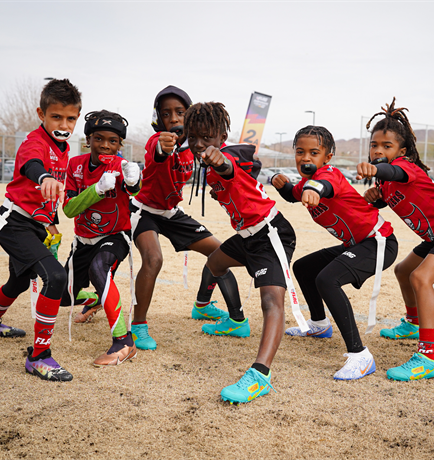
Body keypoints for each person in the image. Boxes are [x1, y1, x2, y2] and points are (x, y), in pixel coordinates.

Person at [356, 98, 434, 382]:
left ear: (401, 151)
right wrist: (374, 199)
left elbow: (395, 172)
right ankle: (413, 323)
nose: (378, 150)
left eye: (386, 146)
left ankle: (428, 357)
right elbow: (391, 194)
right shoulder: (384, 181)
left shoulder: (406, 167)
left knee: (420, 278)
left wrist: (377, 169)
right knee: (403, 271)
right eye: (374, 145)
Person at [0, 78, 81, 382]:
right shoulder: (34, 141)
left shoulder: (64, 147)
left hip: (35, 227)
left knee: (19, 281)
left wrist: (53, 225)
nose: (63, 123)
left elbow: (48, 198)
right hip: (14, 223)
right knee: (56, 277)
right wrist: (44, 176)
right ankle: (39, 356)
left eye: (70, 118)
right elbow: (32, 165)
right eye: (56, 117)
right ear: (41, 114)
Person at [188, 101, 296, 403]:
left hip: (270, 234)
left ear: (222, 135)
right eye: (193, 137)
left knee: (271, 301)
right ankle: (236, 321)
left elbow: (230, 164)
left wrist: (220, 160)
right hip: (246, 235)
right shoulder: (204, 161)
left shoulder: (227, 156)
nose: (199, 144)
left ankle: (260, 375)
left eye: (206, 137)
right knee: (214, 264)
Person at [271, 125, 398, 381]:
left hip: (379, 242)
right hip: (356, 244)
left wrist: (313, 189)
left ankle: (360, 355)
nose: (306, 158)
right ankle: (319, 325)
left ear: (327, 157)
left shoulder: (330, 175)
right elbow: (294, 195)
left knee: (327, 280)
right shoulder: (307, 182)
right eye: (300, 152)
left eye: (314, 152)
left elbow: (323, 186)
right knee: (304, 268)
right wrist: (281, 185)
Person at [123, 85, 243, 350]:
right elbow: (159, 150)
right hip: (144, 211)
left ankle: (209, 308)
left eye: (180, 112)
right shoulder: (158, 141)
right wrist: (165, 147)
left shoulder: (194, 146)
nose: (174, 118)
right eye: (167, 114)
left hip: (171, 213)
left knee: (220, 253)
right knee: (154, 259)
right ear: (159, 118)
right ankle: (138, 327)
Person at [60, 110, 143, 366]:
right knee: (63, 295)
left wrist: (135, 180)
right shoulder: (75, 165)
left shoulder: (121, 166)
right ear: (88, 140)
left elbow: (133, 188)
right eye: (99, 138)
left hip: (114, 235)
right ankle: (96, 298)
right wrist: (95, 190)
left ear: (120, 144)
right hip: (83, 238)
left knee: (100, 268)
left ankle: (124, 342)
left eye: (113, 141)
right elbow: (69, 209)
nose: (105, 145)